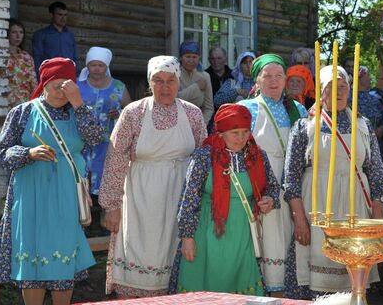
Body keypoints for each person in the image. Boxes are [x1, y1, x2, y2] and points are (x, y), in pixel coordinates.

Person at [0, 57, 103, 305]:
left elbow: (94, 138)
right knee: (32, 252)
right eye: (55, 84)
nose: (61, 91)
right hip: (31, 195)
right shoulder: (23, 112)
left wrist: (79, 103)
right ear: (44, 83)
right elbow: (0, 153)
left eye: (66, 86)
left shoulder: (79, 112)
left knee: (63, 256)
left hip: (67, 195)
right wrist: (28, 153)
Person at [98, 55, 207, 298]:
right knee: (140, 251)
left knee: (174, 254)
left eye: (171, 80)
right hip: (140, 197)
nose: (165, 87)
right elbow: (115, 160)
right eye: (158, 80)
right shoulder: (133, 112)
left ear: (179, 83)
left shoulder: (192, 114)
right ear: (150, 82)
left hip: (180, 196)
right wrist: (112, 205)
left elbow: (203, 159)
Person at [282, 65, 383, 299]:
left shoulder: (363, 125)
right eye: (331, 87)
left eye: (343, 87)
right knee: (313, 282)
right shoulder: (304, 126)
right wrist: (300, 220)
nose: (339, 92)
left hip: (355, 209)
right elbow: (290, 179)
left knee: (353, 280)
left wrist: (378, 216)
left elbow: (377, 174)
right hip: (317, 209)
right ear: (320, 91)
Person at [175, 104, 280, 295]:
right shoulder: (204, 157)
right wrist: (187, 237)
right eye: (235, 132)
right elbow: (188, 198)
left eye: (245, 131)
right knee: (204, 283)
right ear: (221, 133)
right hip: (207, 229)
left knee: (241, 280)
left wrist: (269, 199)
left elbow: (272, 187)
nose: (241, 138)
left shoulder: (256, 156)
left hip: (242, 230)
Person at [237, 54, 308, 295]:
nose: (274, 81)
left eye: (279, 76)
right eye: (268, 76)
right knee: (266, 239)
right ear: (256, 79)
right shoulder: (246, 108)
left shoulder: (297, 109)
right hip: (259, 182)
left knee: (290, 235)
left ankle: (289, 292)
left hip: (293, 183)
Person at [77, 47, 131, 235]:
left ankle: (106, 226)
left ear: (106, 66)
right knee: (82, 181)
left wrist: (119, 114)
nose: (97, 69)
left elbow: (130, 111)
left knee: (106, 180)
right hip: (81, 143)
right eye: (93, 65)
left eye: (100, 65)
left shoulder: (118, 86)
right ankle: (83, 224)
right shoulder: (78, 84)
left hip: (108, 144)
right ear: (88, 65)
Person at [32, 1, 78, 80]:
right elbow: (37, 58)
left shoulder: (70, 35)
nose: (63, 18)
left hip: (68, 77)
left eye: (65, 15)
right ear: (51, 15)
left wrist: (75, 76)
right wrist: (40, 79)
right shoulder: (41, 35)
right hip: (49, 77)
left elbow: (74, 57)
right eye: (60, 15)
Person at [176, 41, 214, 124]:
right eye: (188, 56)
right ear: (181, 57)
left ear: (199, 57)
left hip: (198, 122)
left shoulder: (205, 76)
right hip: (176, 120)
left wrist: (202, 123)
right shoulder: (175, 75)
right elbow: (174, 99)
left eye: (194, 57)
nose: (191, 60)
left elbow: (209, 107)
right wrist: (196, 87)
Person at [7, 18, 38, 106]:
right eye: (14, 32)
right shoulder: (1, 55)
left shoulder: (27, 57)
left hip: (25, 101)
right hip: (7, 101)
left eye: (21, 32)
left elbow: (33, 82)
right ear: (7, 33)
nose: (18, 36)